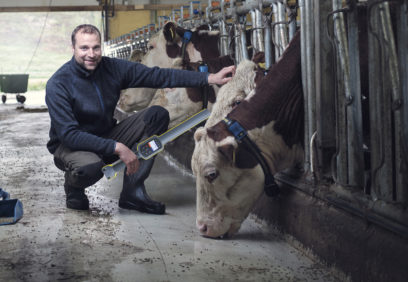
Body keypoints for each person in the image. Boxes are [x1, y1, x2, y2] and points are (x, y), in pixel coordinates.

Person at [45, 24, 235, 214]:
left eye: (96, 47)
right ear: (73, 49)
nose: (91, 54)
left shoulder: (112, 68)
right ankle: (74, 186)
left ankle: (132, 192)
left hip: (106, 133)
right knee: (91, 168)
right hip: (72, 146)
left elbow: (158, 75)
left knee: (157, 115)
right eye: (84, 48)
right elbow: (70, 135)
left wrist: (209, 78)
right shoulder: (59, 84)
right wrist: (116, 147)